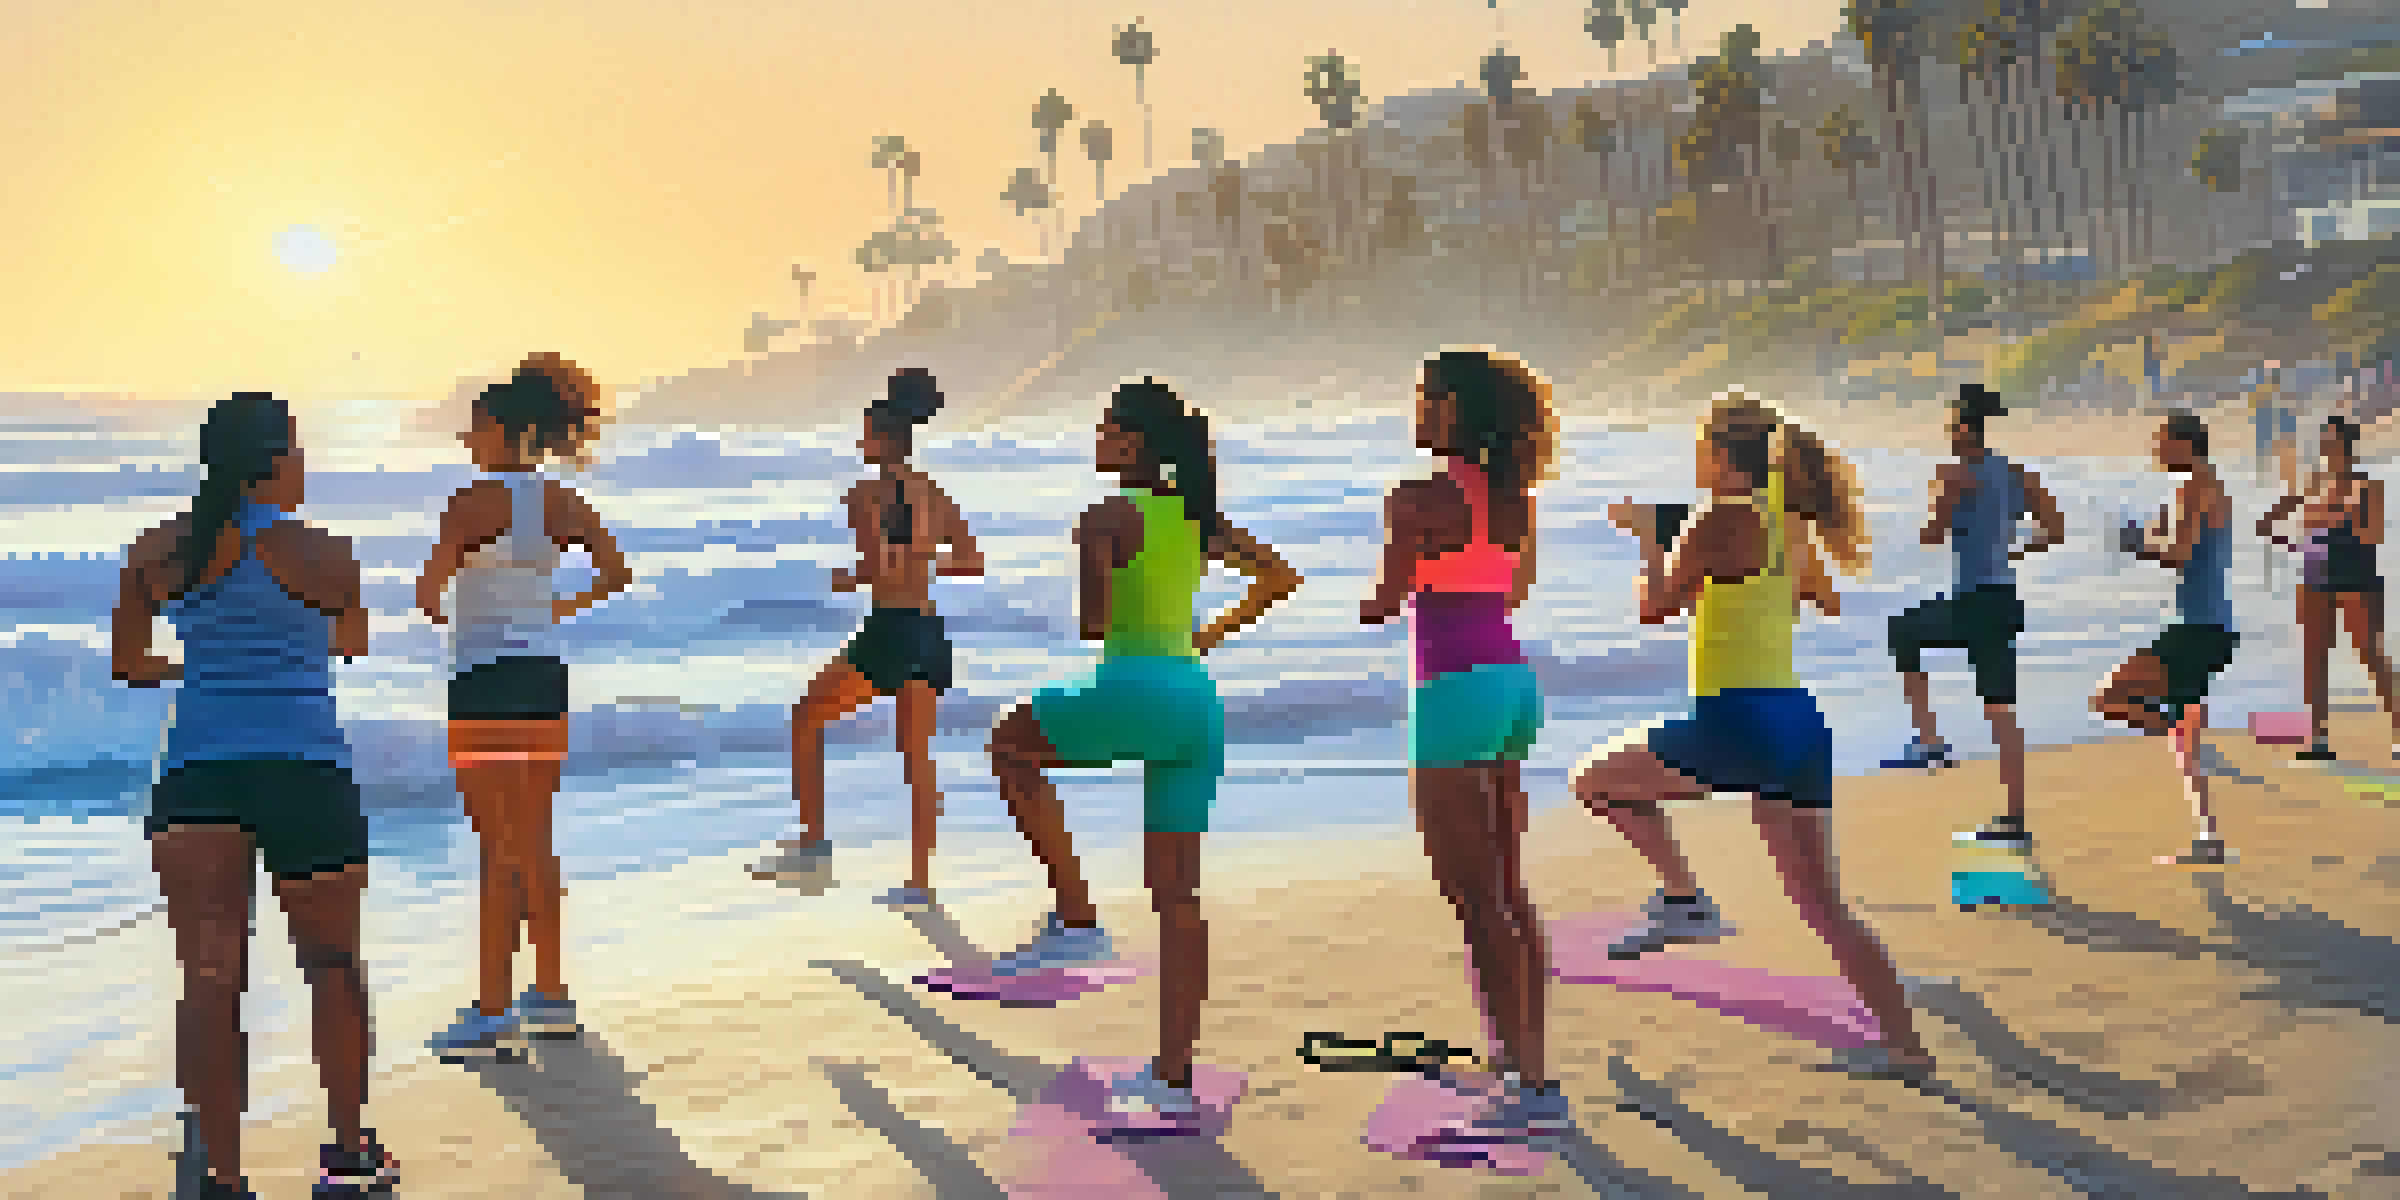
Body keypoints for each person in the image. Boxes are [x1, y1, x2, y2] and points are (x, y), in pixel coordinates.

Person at [1578, 387, 1936, 1078]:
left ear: (1718, 455)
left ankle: (1683, 899)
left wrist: (1650, 541)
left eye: (1699, 448)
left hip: (1735, 720)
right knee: (1826, 906)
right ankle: (1906, 1048)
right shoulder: (1788, 524)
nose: (1694, 459)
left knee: (1594, 782)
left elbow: (1653, 608)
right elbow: (1824, 598)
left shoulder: (1718, 517)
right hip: (1795, 723)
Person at [983, 378, 1302, 1116]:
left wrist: (1095, 558)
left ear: (1133, 442)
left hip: (1130, 688)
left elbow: (1095, 626)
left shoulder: (1106, 515)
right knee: (1178, 898)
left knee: (1010, 747)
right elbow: (1280, 577)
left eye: (1106, 427)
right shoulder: (1196, 517)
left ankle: (1075, 917)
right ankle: (1173, 1076)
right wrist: (1207, 634)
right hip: (1194, 702)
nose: (1096, 437)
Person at [112, 392, 400, 1197]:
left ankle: (223, 1175)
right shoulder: (326, 554)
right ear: (274, 461)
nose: (304, 466)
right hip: (304, 772)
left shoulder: (157, 551)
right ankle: (346, 1151)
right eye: (298, 451)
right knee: (333, 964)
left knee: (209, 979)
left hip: (198, 775)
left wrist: (201, 669)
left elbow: (131, 664)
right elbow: (351, 643)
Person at [1360, 349, 1567, 1140]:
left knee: (1473, 898)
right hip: (1512, 685)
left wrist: (1378, 599)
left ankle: (1528, 1086)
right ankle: (1524, 1065)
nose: (1414, 408)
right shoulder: (1516, 499)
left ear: (1451, 409)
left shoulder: (1414, 498)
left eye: (1423, 397)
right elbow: (1513, 589)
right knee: (1509, 892)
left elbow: (1387, 600)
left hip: (1451, 692)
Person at [418, 353, 632, 1061]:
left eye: (473, 429)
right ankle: (551, 995)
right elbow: (616, 572)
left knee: (494, 849)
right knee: (534, 840)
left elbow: (427, 593)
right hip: (543, 678)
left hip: (483, 683)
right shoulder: (560, 503)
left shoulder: (468, 502)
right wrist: (555, 605)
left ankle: (489, 1009)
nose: (468, 442)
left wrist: (450, 597)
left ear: (496, 428)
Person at [751, 368, 984, 905]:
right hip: (929, 633)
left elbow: (881, 563)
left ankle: (813, 847)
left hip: (890, 629)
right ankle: (920, 882)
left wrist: (851, 576)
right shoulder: (934, 492)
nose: (859, 443)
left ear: (884, 439)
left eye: (865, 434)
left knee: (807, 716)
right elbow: (967, 558)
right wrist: (924, 559)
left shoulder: (865, 495)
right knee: (916, 755)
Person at [1881, 384, 2067, 846]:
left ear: (1965, 427)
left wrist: (1941, 497)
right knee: (2001, 712)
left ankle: (1929, 741)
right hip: (2002, 601)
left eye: (1949, 427)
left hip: (1973, 603)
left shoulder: (1957, 474)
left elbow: (1932, 535)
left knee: (1902, 630)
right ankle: (2015, 819)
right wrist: (2014, 551)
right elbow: (2055, 529)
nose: (1946, 436)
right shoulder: (2017, 474)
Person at [2093, 412, 2241, 866]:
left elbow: (2177, 556)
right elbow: (2188, 551)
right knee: (2186, 741)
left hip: (2196, 629)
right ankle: (2207, 837)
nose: (2155, 450)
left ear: (2184, 444)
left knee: (2109, 696)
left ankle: (2168, 725)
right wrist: (2155, 535)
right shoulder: (2210, 485)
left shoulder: (2192, 487)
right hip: (2211, 626)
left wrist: (2137, 541)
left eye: (2161, 442)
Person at [2256, 415, 2398, 763]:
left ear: (2347, 446)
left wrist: (2332, 517)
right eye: (2324, 441)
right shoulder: (2312, 483)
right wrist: (2296, 543)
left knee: (2371, 655)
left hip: (2358, 578)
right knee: (2314, 658)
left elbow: (2372, 536)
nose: (2327, 447)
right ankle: (2318, 738)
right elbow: (2267, 523)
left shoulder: (2367, 487)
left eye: (2332, 441)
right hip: (2315, 577)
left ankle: (2397, 732)